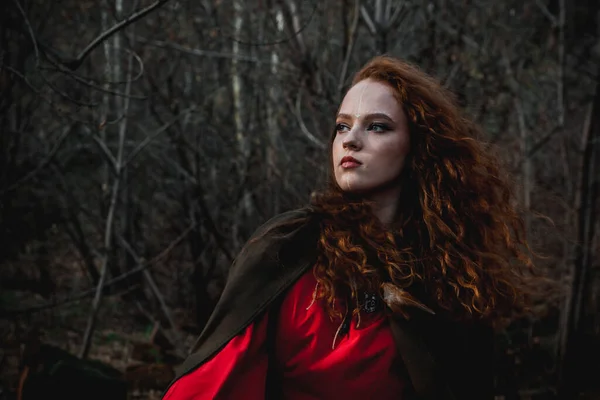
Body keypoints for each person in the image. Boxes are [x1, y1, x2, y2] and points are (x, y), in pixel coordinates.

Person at [162, 55, 538, 399]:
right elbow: (213, 382)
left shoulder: (450, 274)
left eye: (377, 126)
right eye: (342, 127)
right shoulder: (289, 248)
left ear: (417, 147)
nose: (351, 140)